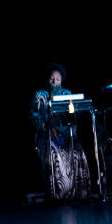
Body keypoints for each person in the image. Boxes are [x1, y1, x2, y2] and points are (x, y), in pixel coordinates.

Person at [30, 63, 91, 200]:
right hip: (47, 135)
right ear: (47, 79)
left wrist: (70, 131)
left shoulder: (67, 94)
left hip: (66, 134)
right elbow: (35, 116)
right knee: (54, 153)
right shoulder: (40, 95)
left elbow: (73, 116)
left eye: (57, 79)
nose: (54, 81)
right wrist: (48, 128)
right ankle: (59, 194)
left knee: (77, 150)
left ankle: (78, 193)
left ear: (61, 80)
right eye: (52, 78)